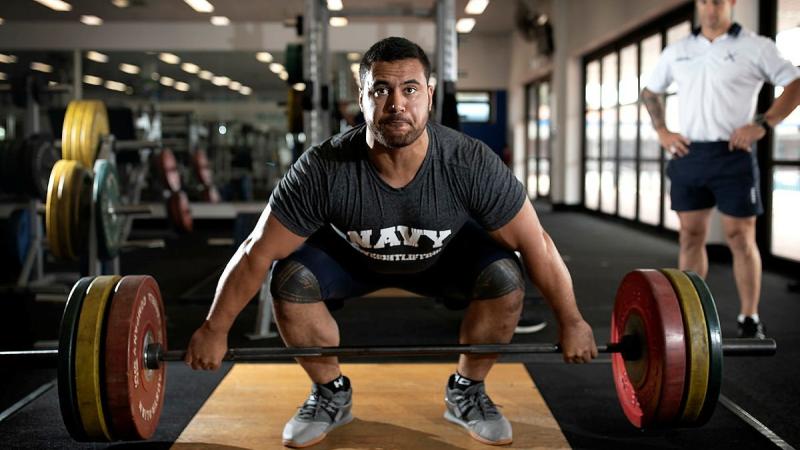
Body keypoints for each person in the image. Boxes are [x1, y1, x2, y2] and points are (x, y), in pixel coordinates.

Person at [185, 36, 597, 448]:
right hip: (353, 261)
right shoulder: (323, 167)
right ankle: (330, 393)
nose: (397, 104)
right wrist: (214, 328)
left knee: (505, 275)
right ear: (361, 97)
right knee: (289, 278)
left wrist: (573, 321)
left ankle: (466, 390)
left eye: (410, 89)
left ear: (429, 96)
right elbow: (257, 250)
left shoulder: (468, 162)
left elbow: (535, 243)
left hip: (443, 259)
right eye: (381, 89)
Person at [641, 0, 800, 339]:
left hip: (733, 154)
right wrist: (663, 131)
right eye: (703, 1)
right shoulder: (678, 50)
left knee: (740, 238)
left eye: (717, 0)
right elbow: (650, 92)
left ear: (731, 3)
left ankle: (749, 317)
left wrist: (762, 124)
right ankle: (690, 314)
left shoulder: (756, 46)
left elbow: (795, 84)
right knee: (690, 237)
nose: (710, 7)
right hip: (689, 154)